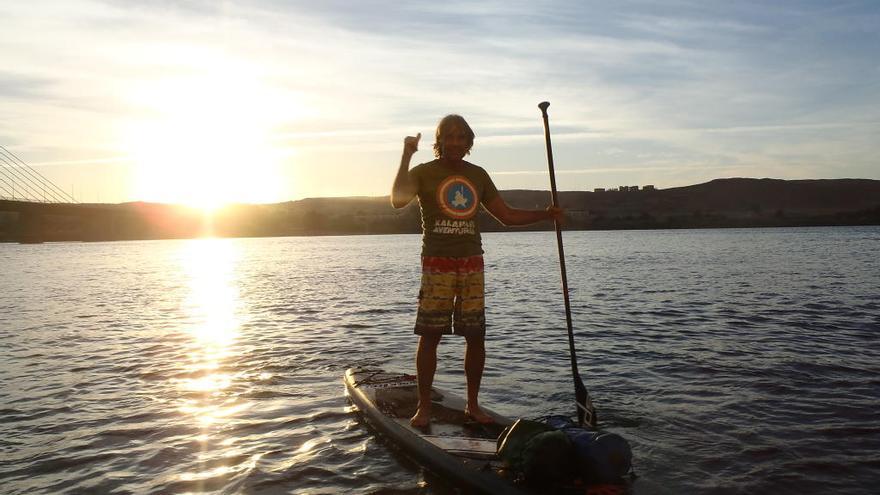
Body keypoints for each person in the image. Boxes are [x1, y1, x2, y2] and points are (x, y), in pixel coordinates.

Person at [391, 114, 563, 427]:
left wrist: (545, 215)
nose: (455, 143)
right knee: (430, 337)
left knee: (475, 336)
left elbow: (507, 216)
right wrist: (406, 156)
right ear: (439, 141)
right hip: (437, 264)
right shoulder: (423, 172)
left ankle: (473, 405)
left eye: (461, 138)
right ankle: (424, 408)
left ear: (469, 143)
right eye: (449, 137)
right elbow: (397, 201)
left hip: (472, 264)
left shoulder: (478, 175)